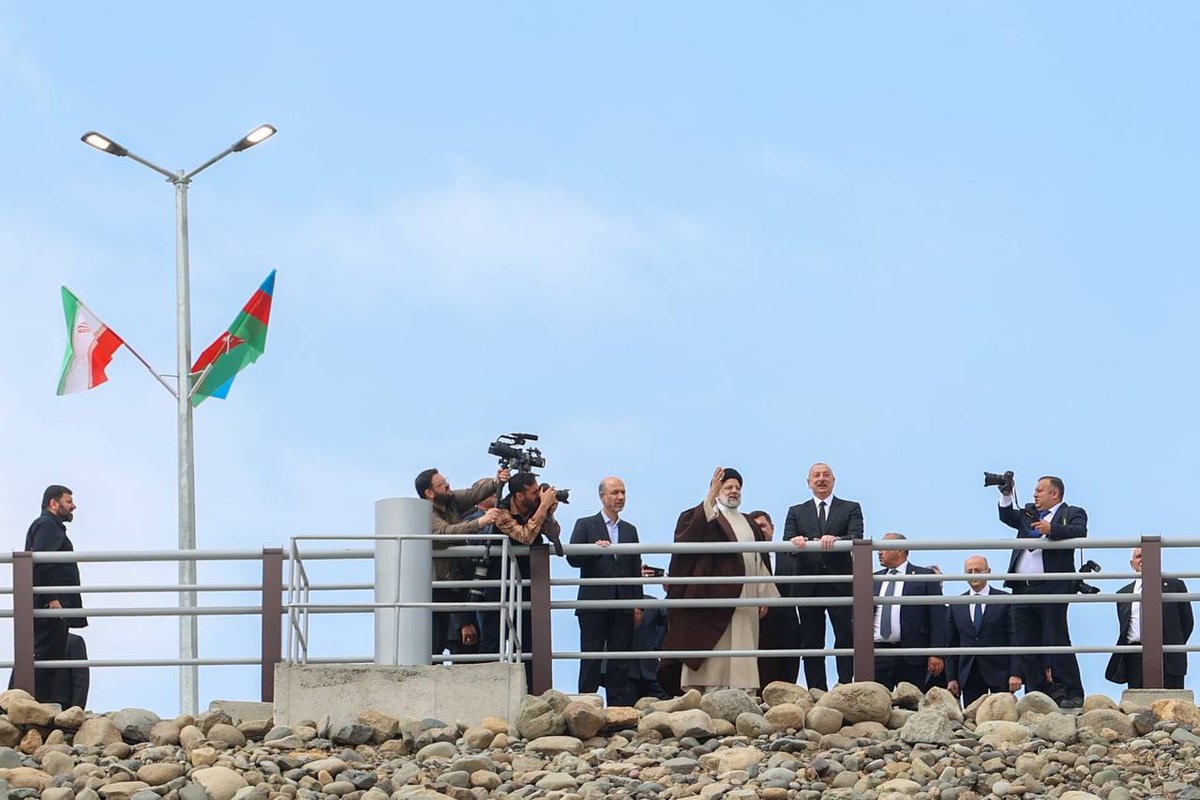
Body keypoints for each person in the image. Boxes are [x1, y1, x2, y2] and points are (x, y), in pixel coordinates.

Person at [660, 467, 777, 693]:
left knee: (744, 643)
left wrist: (764, 595)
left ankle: (744, 690)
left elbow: (760, 559)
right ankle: (711, 688)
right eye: (728, 487)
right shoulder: (709, 515)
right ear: (717, 490)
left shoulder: (749, 522)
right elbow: (689, 533)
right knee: (716, 647)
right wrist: (710, 498)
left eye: (737, 488)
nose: (733, 491)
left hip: (747, 597)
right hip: (714, 596)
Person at [998, 475, 1087, 707]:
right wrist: (1006, 494)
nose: (1035, 494)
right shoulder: (1028, 513)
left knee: (1056, 639)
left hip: (1051, 586)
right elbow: (1007, 516)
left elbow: (1080, 531)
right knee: (1027, 644)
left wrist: (1051, 529)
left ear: (1054, 493)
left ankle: (1072, 691)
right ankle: (1036, 694)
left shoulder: (1072, 512)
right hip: (1021, 587)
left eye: (1039, 490)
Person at [778, 462, 864, 690]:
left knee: (845, 635)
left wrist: (836, 540)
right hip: (808, 586)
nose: (821, 479)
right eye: (816, 475)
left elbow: (856, 536)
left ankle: (845, 684)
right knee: (811, 638)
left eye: (826, 475)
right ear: (809, 483)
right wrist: (796, 542)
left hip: (840, 584)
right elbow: (787, 541)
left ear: (834, 480)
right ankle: (816, 688)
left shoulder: (851, 507)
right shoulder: (796, 511)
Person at [415, 466, 509, 660]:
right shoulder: (426, 513)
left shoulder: (450, 501)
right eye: (441, 484)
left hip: (457, 582)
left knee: (467, 640)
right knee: (435, 642)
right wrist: (480, 523)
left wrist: (497, 481)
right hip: (437, 585)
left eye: (446, 480)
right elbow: (443, 533)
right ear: (429, 493)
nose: (448, 485)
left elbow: (474, 493)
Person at [566, 476, 641, 706]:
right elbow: (573, 558)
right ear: (602, 496)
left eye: (623, 492)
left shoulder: (630, 530)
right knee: (591, 657)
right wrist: (594, 550)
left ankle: (618, 708)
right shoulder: (585, 524)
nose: (620, 497)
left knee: (620, 659)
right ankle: (586, 707)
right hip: (594, 603)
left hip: (623, 603)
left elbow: (635, 568)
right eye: (615, 492)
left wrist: (638, 604)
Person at [490, 472, 562, 689]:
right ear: (519, 496)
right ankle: (495, 690)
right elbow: (525, 536)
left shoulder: (535, 508)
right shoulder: (501, 511)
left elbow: (554, 534)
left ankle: (529, 692)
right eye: (533, 492)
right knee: (496, 639)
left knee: (528, 638)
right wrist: (542, 509)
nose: (538, 495)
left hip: (528, 582)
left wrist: (547, 511)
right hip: (499, 584)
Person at [23, 485, 87, 707]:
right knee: (44, 657)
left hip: (52, 604)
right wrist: (52, 599)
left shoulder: (50, 526)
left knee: (46, 658)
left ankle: (29, 706)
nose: (73, 506)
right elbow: (41, 563)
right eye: (68, 502)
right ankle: (27, 706)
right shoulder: (48, 525)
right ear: (53, 503)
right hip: (51, 606)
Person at [1105, 547, 1194, 690]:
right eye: (1139, 556)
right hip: (1135, 656)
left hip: (1168, 654)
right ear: (1132, 564)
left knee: (1171, 707)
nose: (1143, 559)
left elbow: (1187, 622)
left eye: (1148, 555)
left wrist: (1174, 644)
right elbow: (1125, 627)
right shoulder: (1123, 594)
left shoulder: (1175, 586)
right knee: (1138, 708)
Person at [872, 532, 946, 690]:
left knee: (911, 707)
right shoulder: (874, 579)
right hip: (879, 655)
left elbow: (937, 616)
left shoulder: (924, 576)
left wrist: (937, 653)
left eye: (883, 548)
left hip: (912, 655)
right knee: (875, 707)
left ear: (900, 550)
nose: (879, 552)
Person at [945, 555, 1021, 706]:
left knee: (1003, 719)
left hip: (1001, 673)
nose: (974, 574)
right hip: (969, 673)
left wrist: (1016, 673)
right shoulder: (956, 604)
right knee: (972, 723)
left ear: (988, 571)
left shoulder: (1005, 600)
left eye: (978, 570)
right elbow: (951, 644)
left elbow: (1015, 638)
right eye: (970, 571)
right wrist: (951, 678)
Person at [748, 509, 802, 687]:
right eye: (755, 527)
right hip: (756, 624)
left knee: (787, 672)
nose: (760, 530)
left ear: (772, 527)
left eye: (763, 526)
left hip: (786, 625)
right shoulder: (744, 558)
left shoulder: (789, 555)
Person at [629, 584, 669, 702]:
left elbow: (672, 615)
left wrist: (672, 591)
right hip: (623, 672)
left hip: (650, 672)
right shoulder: (612, 603)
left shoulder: (652, 604)